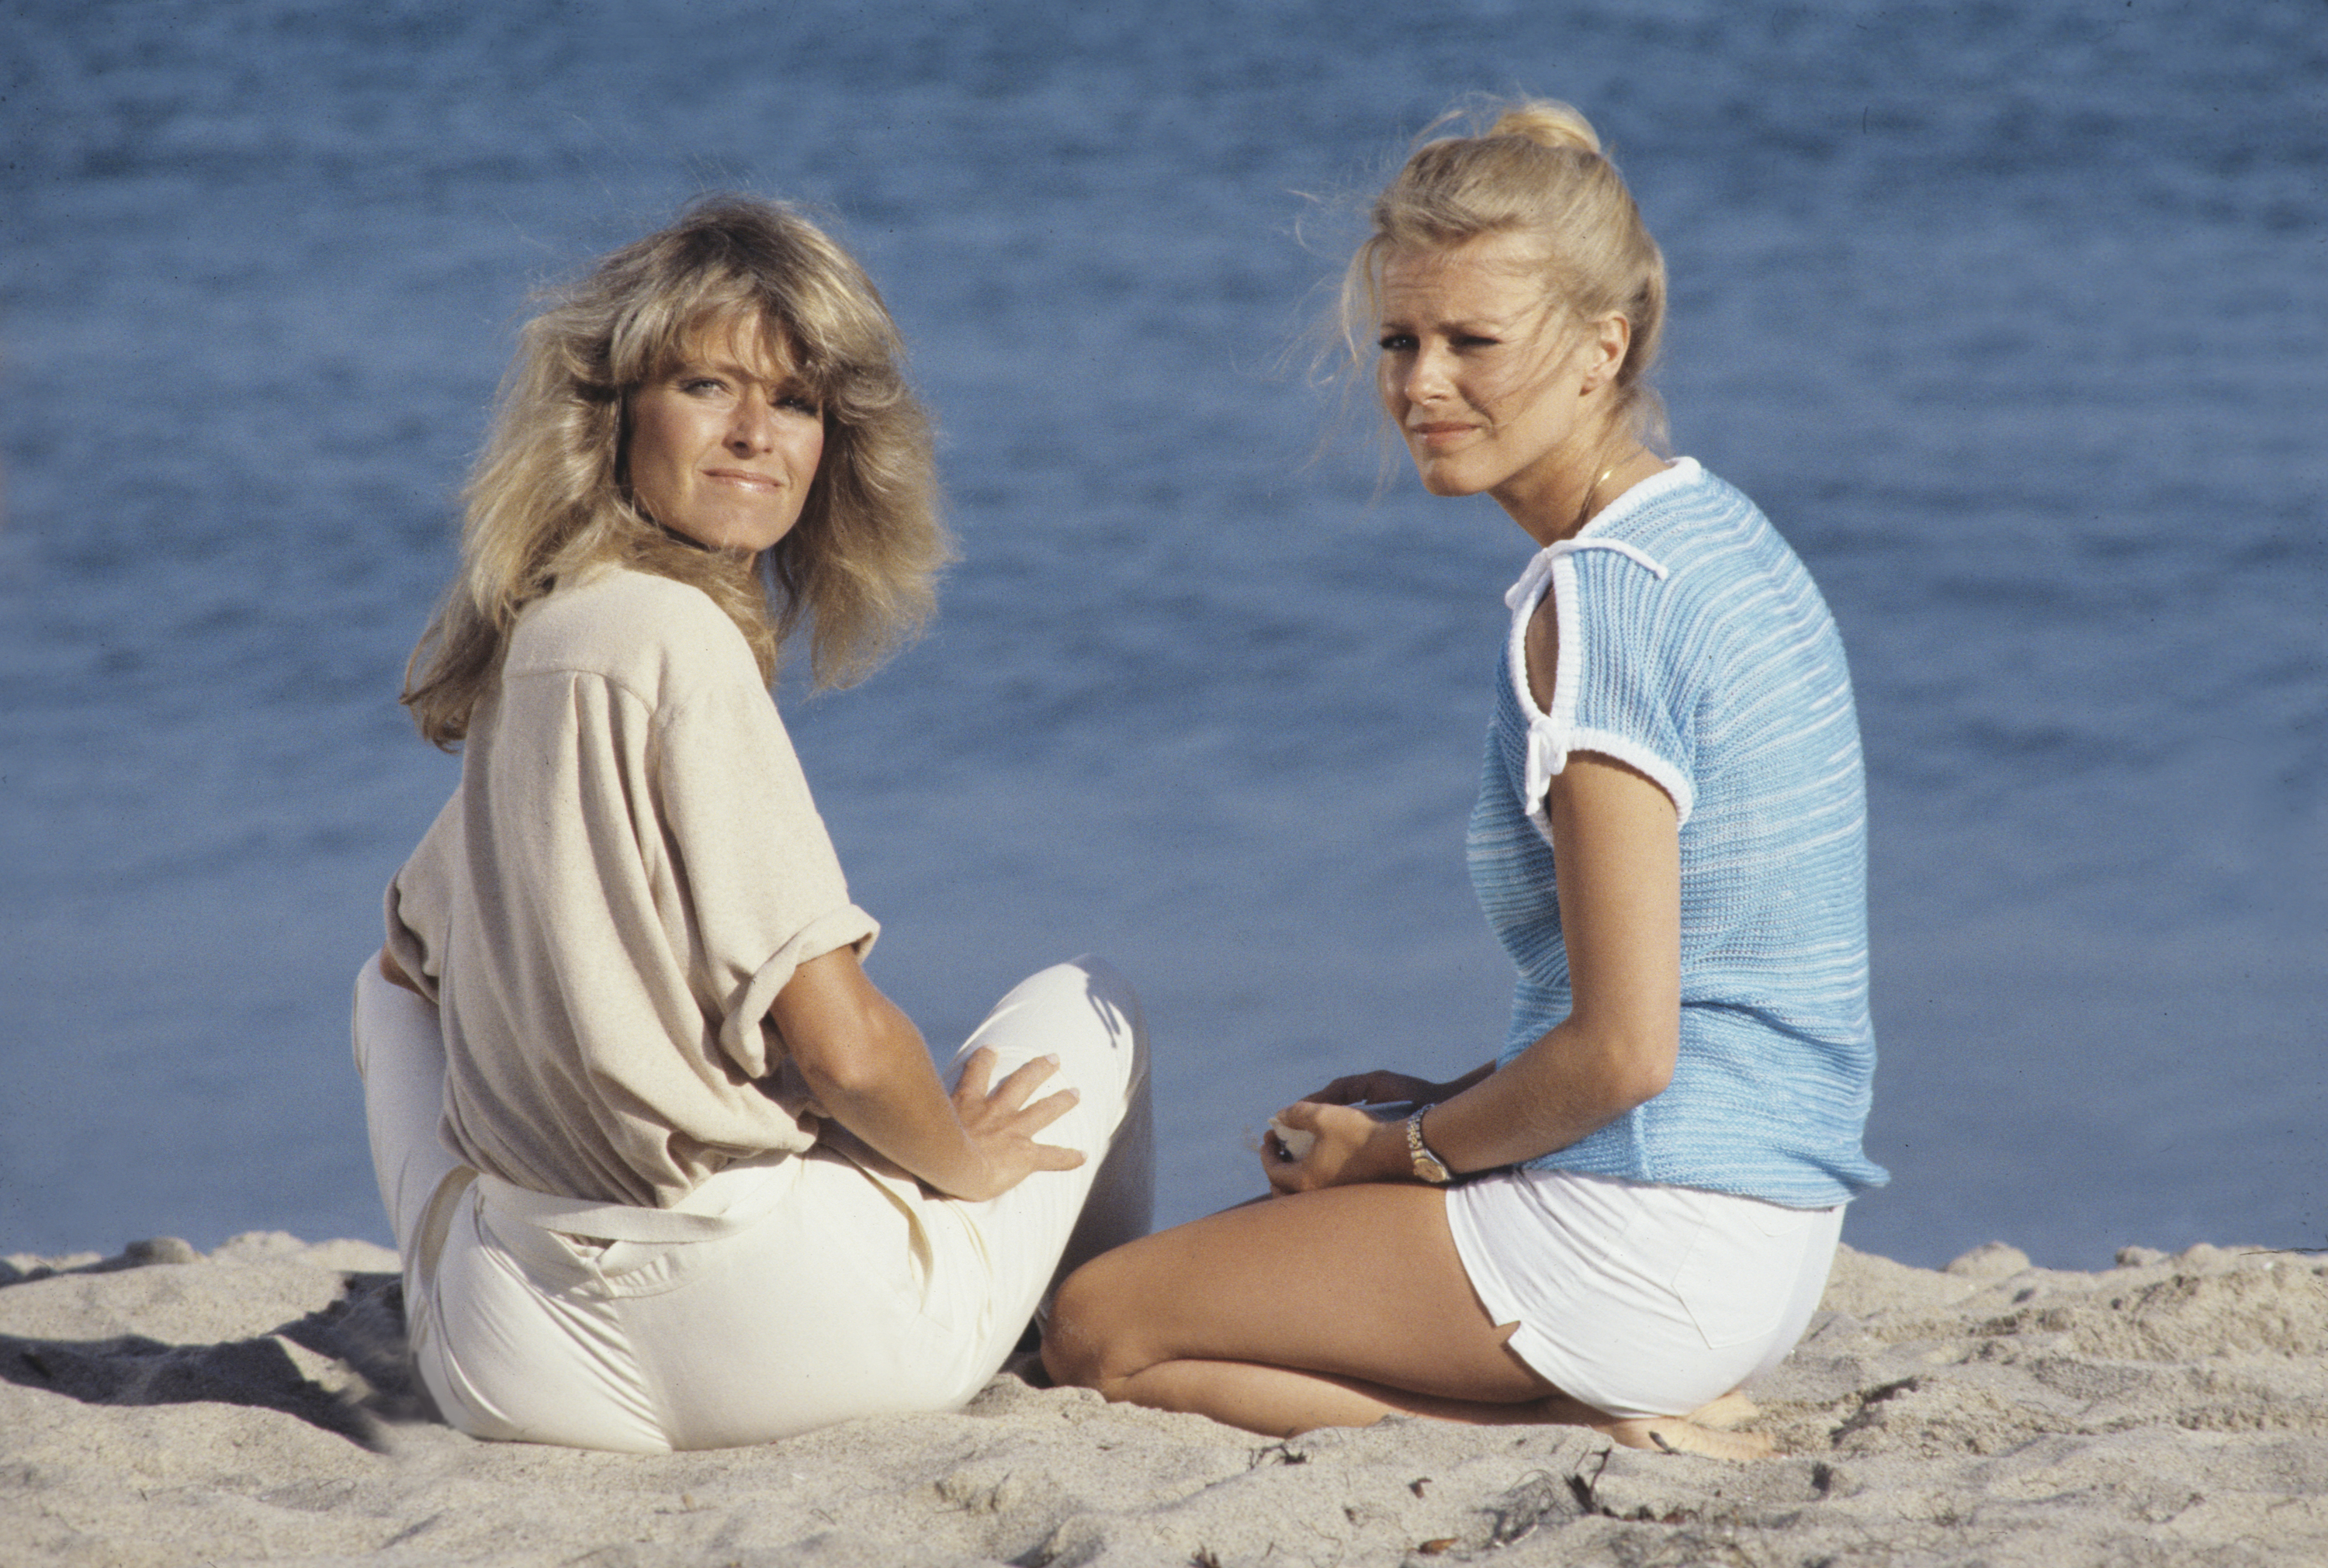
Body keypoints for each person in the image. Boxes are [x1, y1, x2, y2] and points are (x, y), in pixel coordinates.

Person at [1041, 101, 1885, 1459]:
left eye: (1471, 343)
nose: (1421, 382)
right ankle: (1587, 1385)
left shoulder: (1601, 603)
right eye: (1399, 339)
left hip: (1649, 1240)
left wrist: (1398, 1152)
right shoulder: (1713, 533)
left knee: (1100, 1328)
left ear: (1604, 347)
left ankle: (1564, 1415)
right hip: (1769, 1237)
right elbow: (1697, 990)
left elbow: (1626, 1051)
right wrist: (1438, 1097)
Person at [355, 196, 1152, 1453]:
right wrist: (959, 1160)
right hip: (773, 1331)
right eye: (705, 385)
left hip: (521, 1367)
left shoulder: (545, 636)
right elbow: (841, 1046)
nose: (751, 433)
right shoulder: (685, 644)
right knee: (1092, 1000)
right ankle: (1093, 1336)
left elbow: (411, 959)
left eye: (793, 402)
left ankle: (500, 1238)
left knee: (377, 994)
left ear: (834, 439)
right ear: (615, 414)